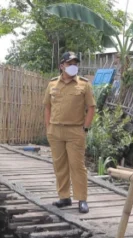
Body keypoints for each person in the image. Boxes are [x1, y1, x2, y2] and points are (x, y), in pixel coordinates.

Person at [43, 51, 96, 214]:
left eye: (75, 63)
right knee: (60, 165)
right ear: (62, 66)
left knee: (77, 166)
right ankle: (64, 197)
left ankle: (82, 199)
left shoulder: (84, 84)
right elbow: (47, 106)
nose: (73, 66)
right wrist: (48, 128)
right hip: (56, 130)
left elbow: (91, 107)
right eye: (69, 63)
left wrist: (85, 127)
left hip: (75, 131)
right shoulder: (52, 84)